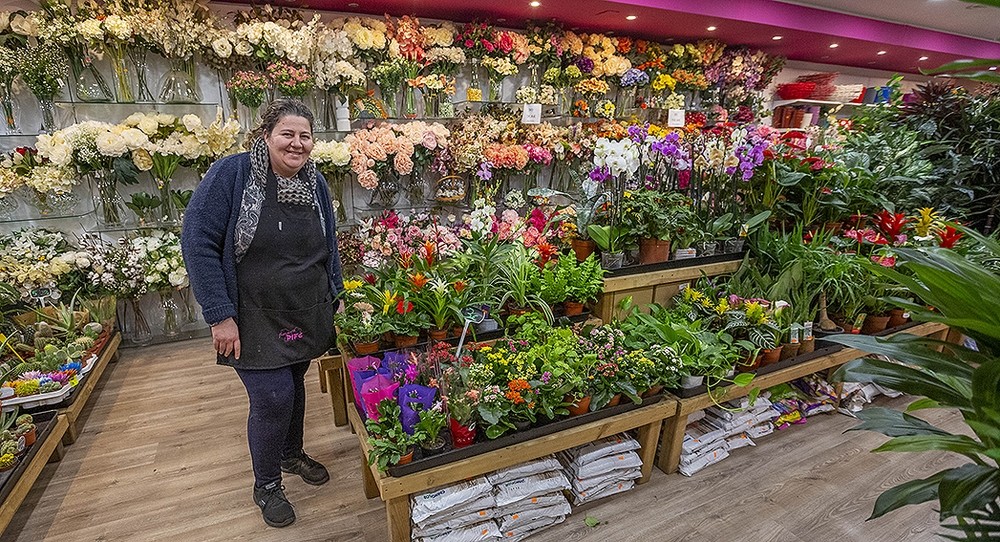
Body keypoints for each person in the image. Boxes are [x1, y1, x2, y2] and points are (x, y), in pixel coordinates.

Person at [181, 99, 343, 528]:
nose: (297, 143)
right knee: (272, 396)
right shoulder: (231, 176)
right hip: (250, 314)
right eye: (287, 134)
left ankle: (290, 455)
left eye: (305, 135)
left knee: (293, 381)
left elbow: (330, 242)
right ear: (266, 135)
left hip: (305, 308)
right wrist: (219, 314)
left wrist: (337, 294)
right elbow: (198, 244)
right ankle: (266, 485)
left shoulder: (315, 182)